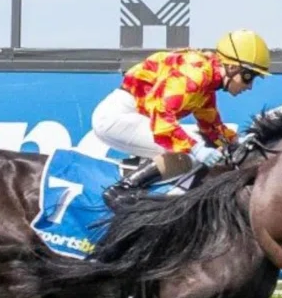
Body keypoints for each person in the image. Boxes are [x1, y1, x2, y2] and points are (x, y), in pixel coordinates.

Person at [92, 29, 271, 200]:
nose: (249, 86)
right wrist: (195, 149)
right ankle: (121, 191)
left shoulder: (207, 81)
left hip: (136, 115)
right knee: (191, 153)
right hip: (118, 117)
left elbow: (212, 129)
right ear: (231, 67)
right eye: (249, 76)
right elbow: (161, 119)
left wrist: (239, 142)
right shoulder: (195, 76)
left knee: (206, 141)